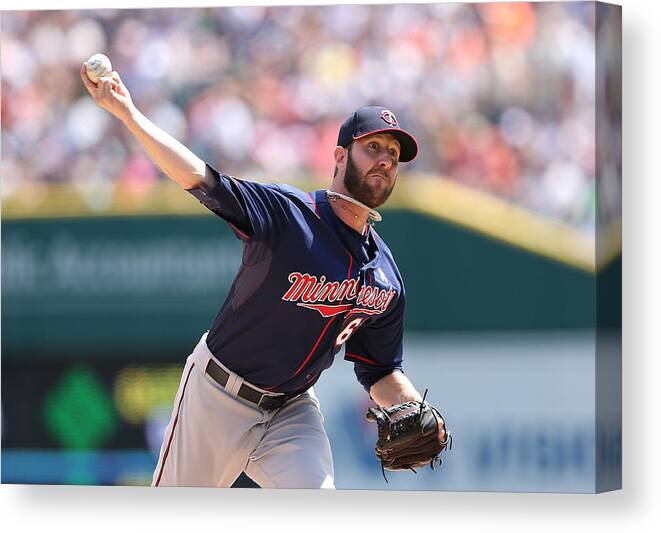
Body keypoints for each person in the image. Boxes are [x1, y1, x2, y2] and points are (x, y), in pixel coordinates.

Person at [80, 63, 446, 489]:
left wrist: (414, 404)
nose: (385, 160)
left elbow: (379, 370)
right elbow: (200, 177)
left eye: (394, 156)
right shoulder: (289, 214)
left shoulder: (385, 277)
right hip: (217, 396)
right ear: (340, 156)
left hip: (292, 409)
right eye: (374, 147)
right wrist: (129, 115)